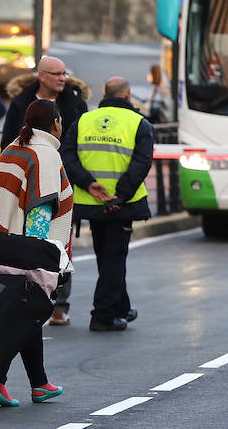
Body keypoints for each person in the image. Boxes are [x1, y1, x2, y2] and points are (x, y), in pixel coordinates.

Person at [0, 99, 69, 406]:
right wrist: (37, 258)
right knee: (25, 314)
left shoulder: (13, 148)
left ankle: (38, 383)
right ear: (55, 123)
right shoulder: (44, 155)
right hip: (23, 250)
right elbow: (39, 210)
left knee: (25, 315)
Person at [60, 77, 155, 332]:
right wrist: (120, 196)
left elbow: (67, 155)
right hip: (120, 203)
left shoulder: (84, 121)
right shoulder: (139, 123)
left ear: (105, 93)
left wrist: (88, 184)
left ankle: (120, 307)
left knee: (106, 257)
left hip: (88, 201)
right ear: (128, 94)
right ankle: (102, 315)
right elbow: (141, 164)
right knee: (114, 259)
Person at [1, 56, 88, 326]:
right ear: (42, 75)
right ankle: (27, 299)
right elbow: (8, 143)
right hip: (28, 186)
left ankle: (60, 303)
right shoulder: (20, 103)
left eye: (64, 73)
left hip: (62, 183)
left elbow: (79, 146)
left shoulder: (75, 104)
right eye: (56, 73)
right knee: (24, 242)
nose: (62, 78)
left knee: (59, 241)